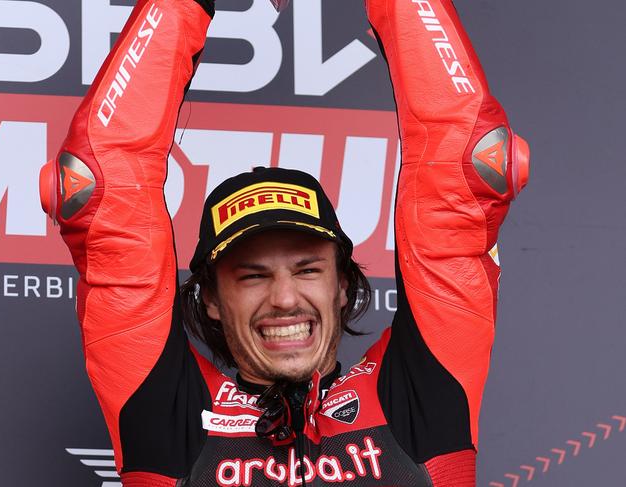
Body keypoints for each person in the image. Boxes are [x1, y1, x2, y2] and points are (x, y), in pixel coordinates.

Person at [38, 0, 529, 485]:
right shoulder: (168, 420)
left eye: (307, 268)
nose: (285, 299)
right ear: (209, 298)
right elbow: (100, 193)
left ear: (343, 284)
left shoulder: (423, 397)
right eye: (252, 275)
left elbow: (466, 175)